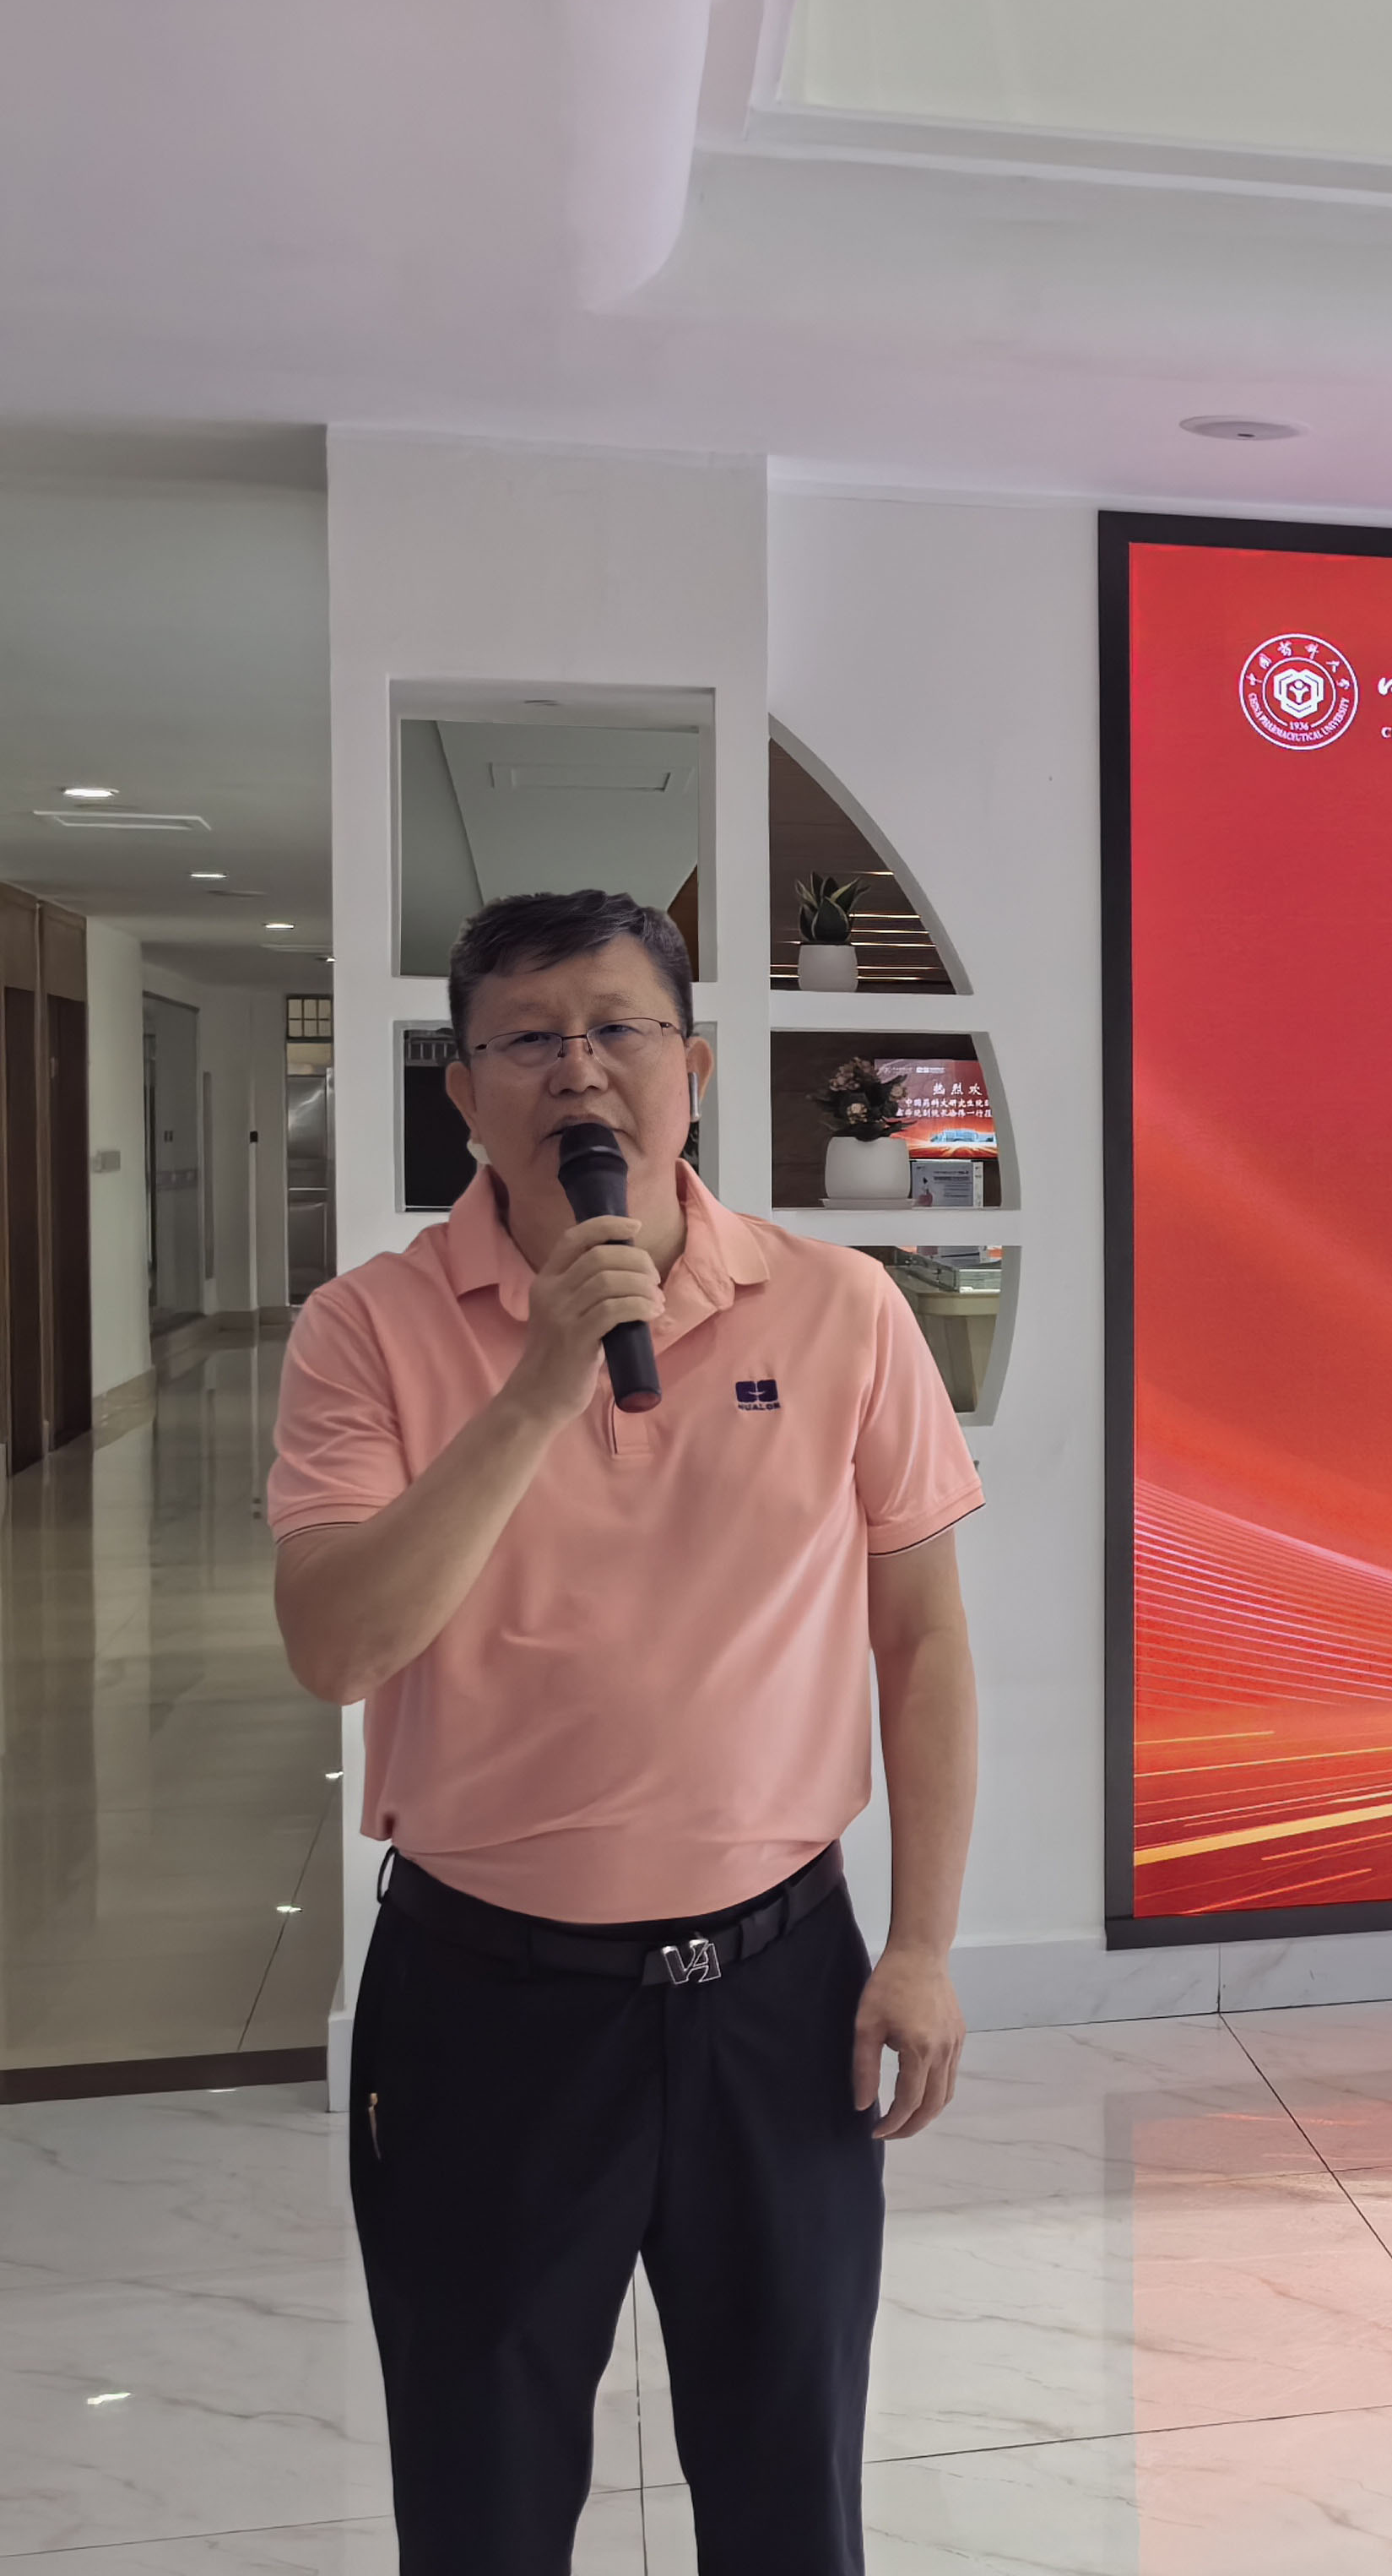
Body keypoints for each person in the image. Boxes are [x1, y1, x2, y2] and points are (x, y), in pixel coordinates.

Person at [268, 889, 982, 2573]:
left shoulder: (843, 1307)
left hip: (783, 1997)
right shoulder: (363, 1330)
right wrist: (539, 1381)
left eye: (618, 1029)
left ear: (694, 1070)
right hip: (485, 2006)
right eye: (526, 1039)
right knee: (484, 2493)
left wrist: (923, 1946)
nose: (577, 1070)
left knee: (789, 2479)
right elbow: (338, 1647)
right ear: (465, 1092)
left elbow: (922, 1639)